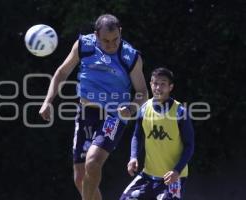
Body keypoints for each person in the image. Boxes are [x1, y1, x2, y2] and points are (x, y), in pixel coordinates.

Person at [39, 14, 148, 200]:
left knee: (93, 162)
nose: (111, 45)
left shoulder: (130, 56)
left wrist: (130, 109)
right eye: (106, 41)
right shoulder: (84, 45)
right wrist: (47, 101)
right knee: (80, 178)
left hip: (114, 115)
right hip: (85, 114)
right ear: (96, 34)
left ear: (120, 32)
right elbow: (62, 72)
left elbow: (143, 92)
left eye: (115, 40)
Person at [120, 67, 194, 200]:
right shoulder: (144, 109)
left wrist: (176, 171)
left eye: (163, 84)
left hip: (173, 177)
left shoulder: (180, 112)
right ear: (150, 84)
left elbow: (189, 145)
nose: (158, 87)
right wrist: (133, 157)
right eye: (155, 83)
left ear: (170, 87)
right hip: (148, 176)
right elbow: (137, 135)